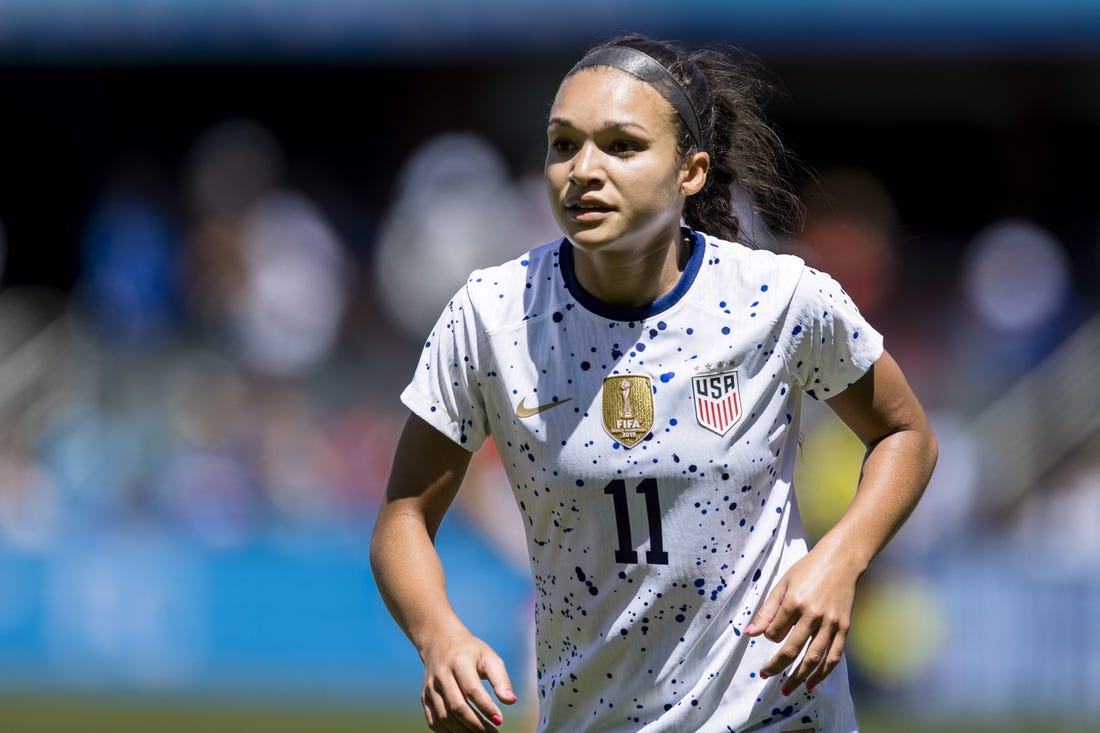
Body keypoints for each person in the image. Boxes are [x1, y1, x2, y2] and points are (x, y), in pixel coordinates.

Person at [370, 33, 938, 733]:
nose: (584, 169)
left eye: (622, 145)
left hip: (779, 714)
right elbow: (403, 515)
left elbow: (906, 433)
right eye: (562, 144)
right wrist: (439, 637)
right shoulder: (490, 316)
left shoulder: (780, 298)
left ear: (691, 171)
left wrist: (840, 559)